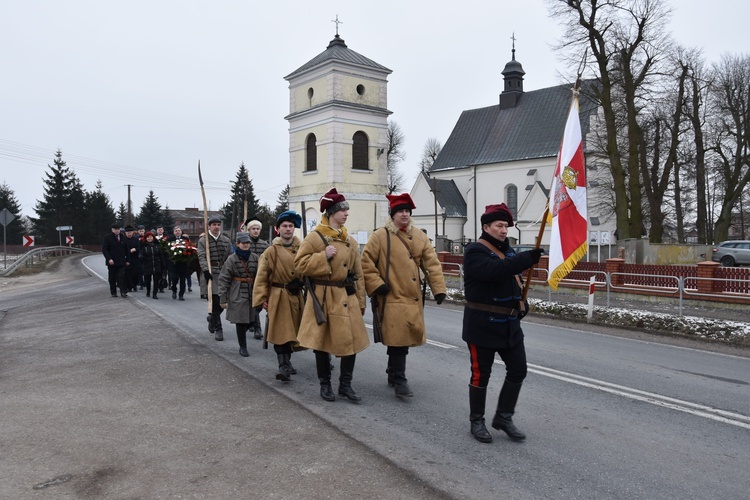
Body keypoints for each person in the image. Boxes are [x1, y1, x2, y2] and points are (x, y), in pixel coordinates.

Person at [462, 203, 543, 443]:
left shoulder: (509, 253)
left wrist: (520, 302)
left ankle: (503, 417)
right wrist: (526, 259)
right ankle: (477, 421)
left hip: (509, 326)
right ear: (486, 227)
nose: (504, 230)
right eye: (499, 225)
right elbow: (494, 271)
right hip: (482, 325)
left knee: (519, 370)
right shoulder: (474, 251)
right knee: (480, 375)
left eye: (506, 226)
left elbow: (511, 278)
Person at [361, 193, 448, 398]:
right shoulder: (380, 236)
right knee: (398, 337)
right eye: (400, 211)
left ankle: (393, 372)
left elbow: (432, 264)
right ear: (392, 215)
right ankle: (400, 379)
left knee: (402, 338)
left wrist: (439, 289)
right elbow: (365, 262)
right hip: (391, 295)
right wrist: (377, 284)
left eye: (407, 211)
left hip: (412, 297)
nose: (404, 215)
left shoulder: (419, 236)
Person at [294, 188, 368, 402]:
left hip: (346, 297)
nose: (346, 214)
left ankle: (345, 385)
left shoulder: (350, 241)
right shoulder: (315, 238)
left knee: (351, 342)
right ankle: (325, 385)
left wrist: (361, 301)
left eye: (347, 210)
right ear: (331, 212)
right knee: (322, 343)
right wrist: (322, 256)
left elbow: (359, 274)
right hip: (323, 296)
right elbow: (299, 265)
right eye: (342, 210)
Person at [252, 210, 305, 381]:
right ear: (278, 229)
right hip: (278, 295)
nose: (288, 229)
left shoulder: (303, 249)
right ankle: (283, 365)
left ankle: (287, 363)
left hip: (297, 296)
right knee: (281, 331)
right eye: (284, 226)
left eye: (290, 226)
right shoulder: (271, 251)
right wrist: (262, 299)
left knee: (294, 332)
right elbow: (261, 277)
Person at [218, 232, 259, 357]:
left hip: (253, 291)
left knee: (253, 318)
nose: (245, 245)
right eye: (243, 243)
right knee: (241, 321)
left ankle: (243, 334)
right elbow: (224, 278)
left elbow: (260, 275)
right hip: (237, 291)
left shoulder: (255, 257)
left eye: (247, 243)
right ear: (237, 244)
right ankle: (243, 346)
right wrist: (223, 298)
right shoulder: (232, 259)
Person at [198, 215, 233, 341]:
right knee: (215, 302)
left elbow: (230, 257)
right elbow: (201, 256)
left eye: (218, 224)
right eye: (214, 225)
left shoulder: (226, 240)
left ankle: (212, 318)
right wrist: (206, 270)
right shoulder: (203, 241)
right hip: (210, 273)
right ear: (209, 226)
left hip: (223, 273)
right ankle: (219, 328)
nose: (217, 227)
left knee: (223, 302)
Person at [243, 218, 270, 340]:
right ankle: (257, 328)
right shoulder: (245, 244)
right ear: (248, 230)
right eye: (253, 229)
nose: (255, 231)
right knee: (252, 303)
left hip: (262, 277)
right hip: (248, 278)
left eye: (257, 229)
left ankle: (253, 322)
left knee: (259, 304)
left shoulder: (265, 245)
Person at [102, 222, 129, 297]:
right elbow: (105, 250)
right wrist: (109, 259)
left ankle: (123, 291)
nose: (117, 231)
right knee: (112, 277)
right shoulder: (107, 237)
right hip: (112, 261)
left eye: (118, 229)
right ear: (112, 230)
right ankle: (113, 292)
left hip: (121, 261)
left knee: (122, 276)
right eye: (115, 229)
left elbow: (126, 249)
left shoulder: (123, 237)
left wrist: (128, 260)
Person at [167, 226, 191, 301]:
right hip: (174, 263)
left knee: (183, 280)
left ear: (181, 231)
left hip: (183, 263)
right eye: (176, 231)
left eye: (179, 230)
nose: (177, 232)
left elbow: (189, 248)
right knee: (174, 279)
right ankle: (174, 289)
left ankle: (181, 294)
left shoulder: (185, 239)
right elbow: (167, 250)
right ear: (174, 232)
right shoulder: (170, 239)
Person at [139, 231, 165, 299]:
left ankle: (154, 293)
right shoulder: (144, 246)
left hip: (156, 265)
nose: (149, 238)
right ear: (146, 238)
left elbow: (161, 256)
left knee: (156, 280)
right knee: (148, 280)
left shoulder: (157, 246)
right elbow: (140, 254)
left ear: (153, 238)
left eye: (151, 237)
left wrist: (163, 264)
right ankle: (148, 291)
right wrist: (141, 257)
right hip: (147, 265)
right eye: (148, 237)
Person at [123, 225, 141, 292]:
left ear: (133, 232)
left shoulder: (136, 239)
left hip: (135, 258)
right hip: (127, 258)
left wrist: (135, 249)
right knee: (128, 274)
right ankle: (129, 286)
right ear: (125, 233)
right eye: (128, 232)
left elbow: (139, 248)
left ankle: (135, 285)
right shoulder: (124, 240)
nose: (129, 233)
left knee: (135, 273)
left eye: (130, 232)